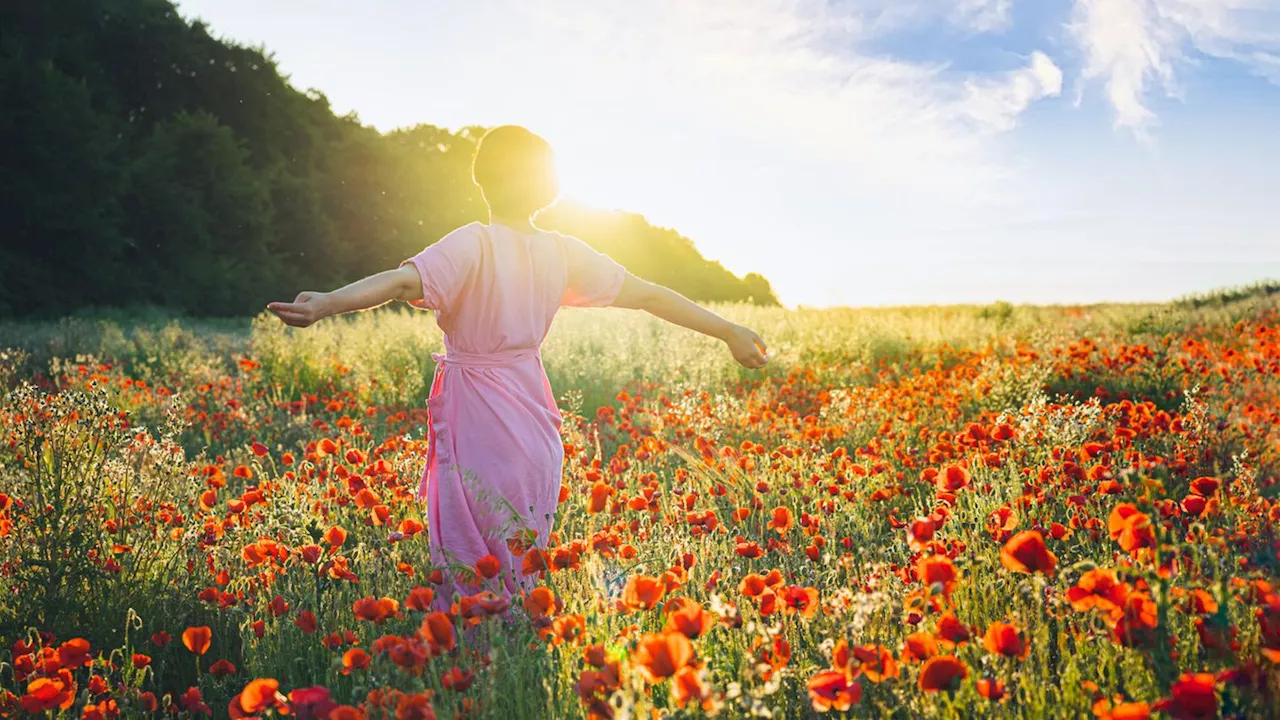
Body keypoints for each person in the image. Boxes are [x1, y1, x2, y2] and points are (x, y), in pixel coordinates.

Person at [268, 125, 768, 610]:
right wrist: (728, 330)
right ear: (547, 189)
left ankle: (476, 665)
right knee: (519, 559)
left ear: (481, 179)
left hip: (480, 417)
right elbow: (650, 294)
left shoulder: (473, 242)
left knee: (473, 561)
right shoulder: (563, 252)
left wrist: (328, 303)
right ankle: (515, 660)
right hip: (533, 424)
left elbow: (402, 284)